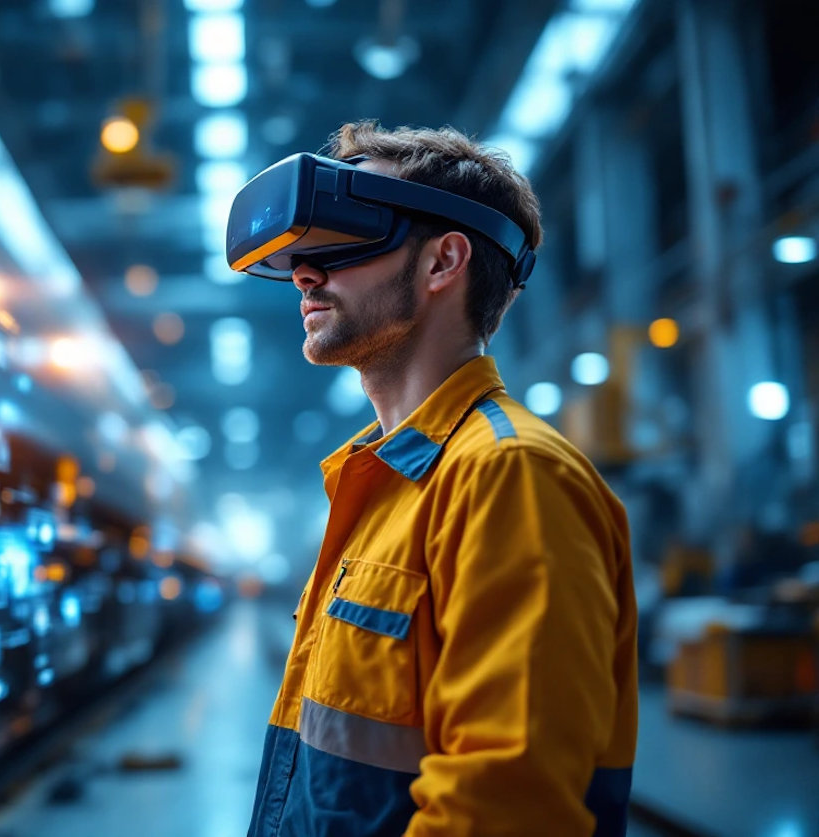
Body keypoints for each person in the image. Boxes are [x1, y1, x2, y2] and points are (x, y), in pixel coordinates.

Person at [241, 123, 638, 836]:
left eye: (339, 240)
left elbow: (505, 807)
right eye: (301, 253)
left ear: (441, 263)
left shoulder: (511, 475)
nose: (304, 271)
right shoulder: (379, 482)